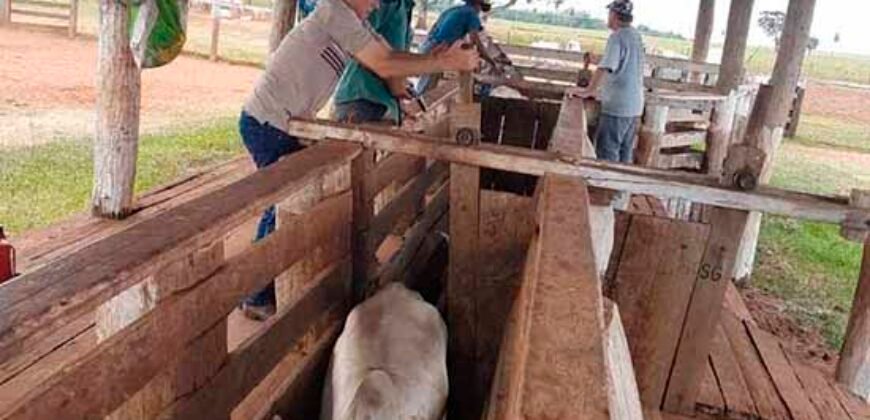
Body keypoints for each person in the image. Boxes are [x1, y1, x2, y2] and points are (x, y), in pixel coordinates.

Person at [239, 0, 479, 320]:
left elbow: (388, 54)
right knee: (283, 206)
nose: (378, 3)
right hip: (267, 122)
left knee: (289, 204)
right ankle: (257, 294)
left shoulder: (354, 20)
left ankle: (262, 290)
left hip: (285, 122)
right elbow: (383, 64)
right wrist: (444, 61)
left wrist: (433, 58)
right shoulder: (333, 12)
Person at [568, 0, 644, 164]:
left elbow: (606, 67)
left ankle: (608, 189)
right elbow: (621, 64)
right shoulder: (635, 36)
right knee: (625, 152)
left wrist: (588, 90)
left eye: (609, 14)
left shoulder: (616, 37)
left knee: (607, 152)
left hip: (617, 106)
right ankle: (623, 190)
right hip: (634, 106)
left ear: (614, 15)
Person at [333, 0, 415, 124]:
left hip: (382, 104)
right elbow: (358, 46)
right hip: (362, 101)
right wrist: (395, 81)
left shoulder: (404, 6)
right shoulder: (386, 4)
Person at [415, 0, 499, 96]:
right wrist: (491, 61)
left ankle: (418, 101)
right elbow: (476, 42)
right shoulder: (471, 14)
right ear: (478, 6)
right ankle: (417, 106)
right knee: (427, 87)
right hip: (439, 49)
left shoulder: (453, 10)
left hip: (428, 44)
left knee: (426, 80)